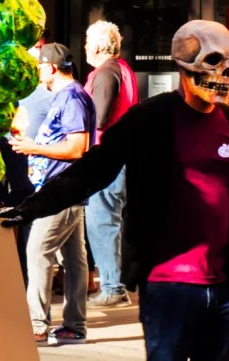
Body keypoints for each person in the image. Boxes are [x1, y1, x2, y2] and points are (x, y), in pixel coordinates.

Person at [0, 20, 229, 361]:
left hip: (222, 289)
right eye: (215, 61)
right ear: (183, 64)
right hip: (168, 285)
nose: (226, 73)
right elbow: (94, 169)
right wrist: (32, 207)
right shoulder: (150, 120)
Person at [7, 42, 96, 345]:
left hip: (61, 190)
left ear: (51, 67)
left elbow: (77, 147)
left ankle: (36, 324)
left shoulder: (71, 97)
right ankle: (74, 324)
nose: (37, 73)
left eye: (39, 67)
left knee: (37, 250)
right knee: (74, 258)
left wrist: (34, 148)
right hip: (64, 188)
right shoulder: (68, 96)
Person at [83, 19, 139, 307]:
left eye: (86, 42)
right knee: (111, 222)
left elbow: (99, 118)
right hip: (121, 156)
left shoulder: (105, 74)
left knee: (101, 222)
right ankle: (115, 283)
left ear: (96, 46)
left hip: (108, 157)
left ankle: (112, 286)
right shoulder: (123, 70)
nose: (84, 48)